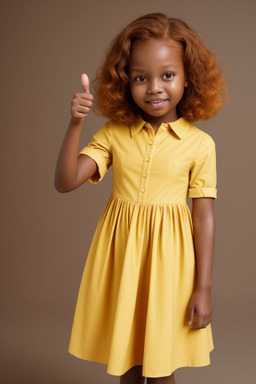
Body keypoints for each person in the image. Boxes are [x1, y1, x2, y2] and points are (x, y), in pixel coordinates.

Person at [55, 13, 227, 384]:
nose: (154, 88)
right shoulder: (115, 133)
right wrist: (75, 124)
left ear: (188, 78)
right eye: (140, 78)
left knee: (160, 363)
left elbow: (203, 218)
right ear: (124, 82)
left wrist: (204, 287)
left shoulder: (200, 145)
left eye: (167, 75)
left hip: (171, 267)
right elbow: (66, 181)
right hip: (123, 260)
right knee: (128, 361)